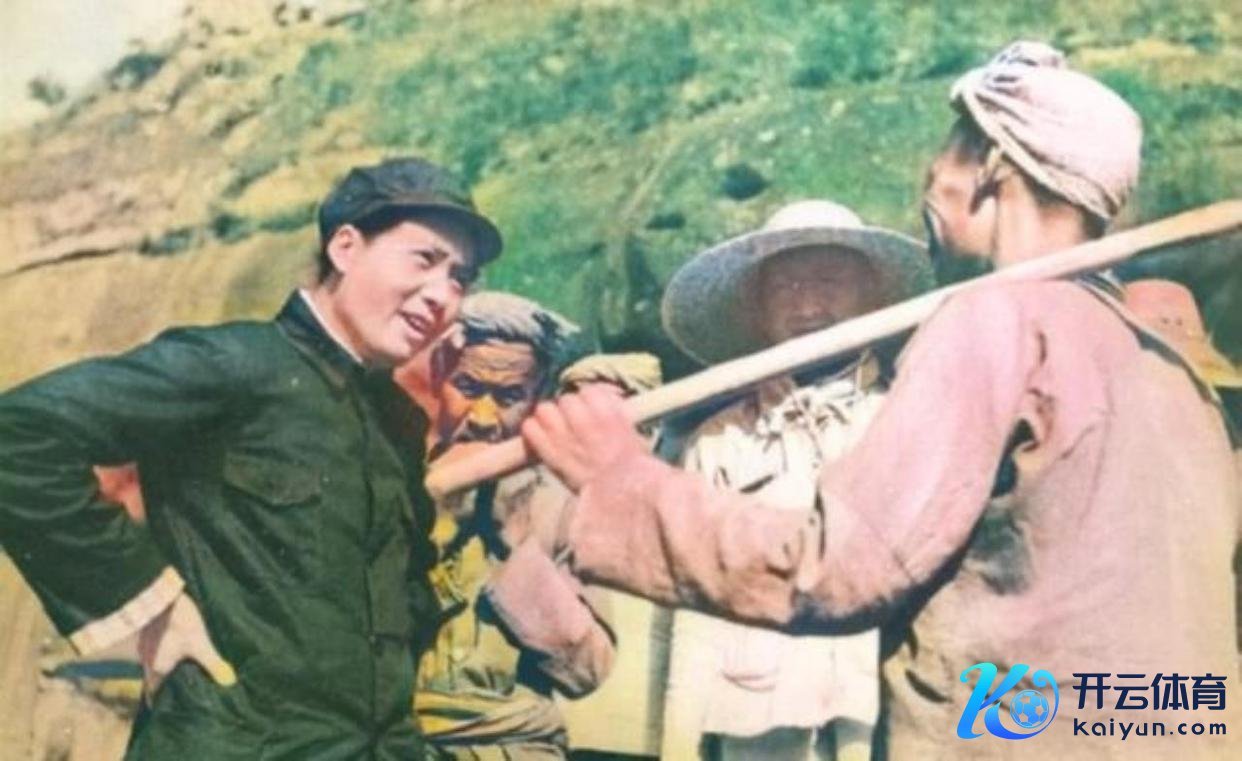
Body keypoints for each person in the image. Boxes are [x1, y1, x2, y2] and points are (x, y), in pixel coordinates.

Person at [520, 42, 1239, 760]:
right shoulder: (1173, 371)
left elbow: (835, 568)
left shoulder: (993, 320)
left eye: (940, 156)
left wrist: (624, 483)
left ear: (992, 165)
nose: (927, 185)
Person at [0, 156, 502, 759]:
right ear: (345, 247)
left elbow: (404, 600)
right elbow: (18, 434)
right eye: (424, 260)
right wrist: (152, 607)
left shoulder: (397, 419)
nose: (443, 295)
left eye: (460, 278)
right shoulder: (236, 364)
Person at [659, 200, 932, 761]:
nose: (807, 305)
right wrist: (678, 747)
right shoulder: (721, 440)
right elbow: (696, 610)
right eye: (786, 287)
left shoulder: (909, 419)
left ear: (872, 296)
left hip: (883, 713)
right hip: (755, 718)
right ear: (758, 310)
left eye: (829, 282)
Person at [410, 291, 616, 760]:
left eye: (508, 397)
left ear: (538, 399)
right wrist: (435, 521)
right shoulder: (389, 482)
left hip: (516, 747)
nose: (483, 419)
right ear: (437, 379)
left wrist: (519, 544)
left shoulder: (559, 502)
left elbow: (589, 671)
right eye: (467, 387)